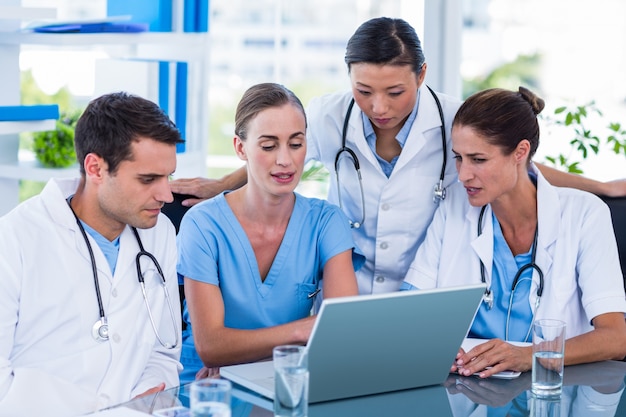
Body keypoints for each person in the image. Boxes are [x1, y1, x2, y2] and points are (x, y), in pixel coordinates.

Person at [170, 17, 626, 296]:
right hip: (346, 289)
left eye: (395, 91)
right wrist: (218, 186)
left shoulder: (453, 121)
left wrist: (603, 188)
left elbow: (513, 165)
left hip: (423, 287)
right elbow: (273, 149)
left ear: (422, 74)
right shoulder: (331, 115)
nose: (379, 108)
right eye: (364, 90)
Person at [403, 87, 626, 378]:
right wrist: (433, 347)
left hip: (554, 393)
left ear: (520, 152)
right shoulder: (453, 207)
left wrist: (528, 355)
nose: (463, 174)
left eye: (478, 159)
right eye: (458, 157)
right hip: (469, 391)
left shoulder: (584, 214)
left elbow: (616, 339)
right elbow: (408, 314)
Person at [0, 92, 183, 417]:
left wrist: (144, 400)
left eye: (168, 176)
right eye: (148, 179)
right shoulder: (14, 240)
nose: (165, 194)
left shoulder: (161, 234)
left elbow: (163, 353)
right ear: (95, 167)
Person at [176, 83, 362, 383]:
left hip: (285, 377)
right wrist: (302, 330)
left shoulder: (326, 222)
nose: (285, 160)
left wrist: (237, 350)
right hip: (207, 384)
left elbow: (341, 330)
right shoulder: (203, 224)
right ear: (240, 148)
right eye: (268, 145)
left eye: (296, 143)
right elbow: (211, 348)